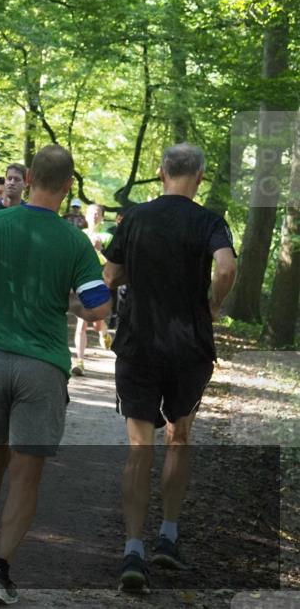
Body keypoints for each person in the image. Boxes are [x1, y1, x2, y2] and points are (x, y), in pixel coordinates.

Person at [0, 145, 111, 604]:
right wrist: (69, 300)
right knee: (25, 473)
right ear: (66, 187)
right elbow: (98, 304)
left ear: (31, 176)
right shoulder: (75, 240)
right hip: (42, 366)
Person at [103, 143, 236, 593]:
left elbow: (109, 275)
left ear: (161, 173)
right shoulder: (209, 221)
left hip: (138, 345)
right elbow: (225, 266)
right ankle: (169, 536)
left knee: (139, 447)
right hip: (189, 349)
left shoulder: (134, 218)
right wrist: (214, 303)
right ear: (198, 175)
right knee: (180, 437)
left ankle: (133, 550)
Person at [72, 203, 113, 376]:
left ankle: (103, 331)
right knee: (81, 322)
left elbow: (112, 263)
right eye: (91, 213)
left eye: (98, 213)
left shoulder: (108, 237)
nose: (94, 216)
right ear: (85, 216)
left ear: (102, 218)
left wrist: (99, 250)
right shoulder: (78, 235)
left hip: (100, 281)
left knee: (96, 321)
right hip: (80, 281)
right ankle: (79, 361)